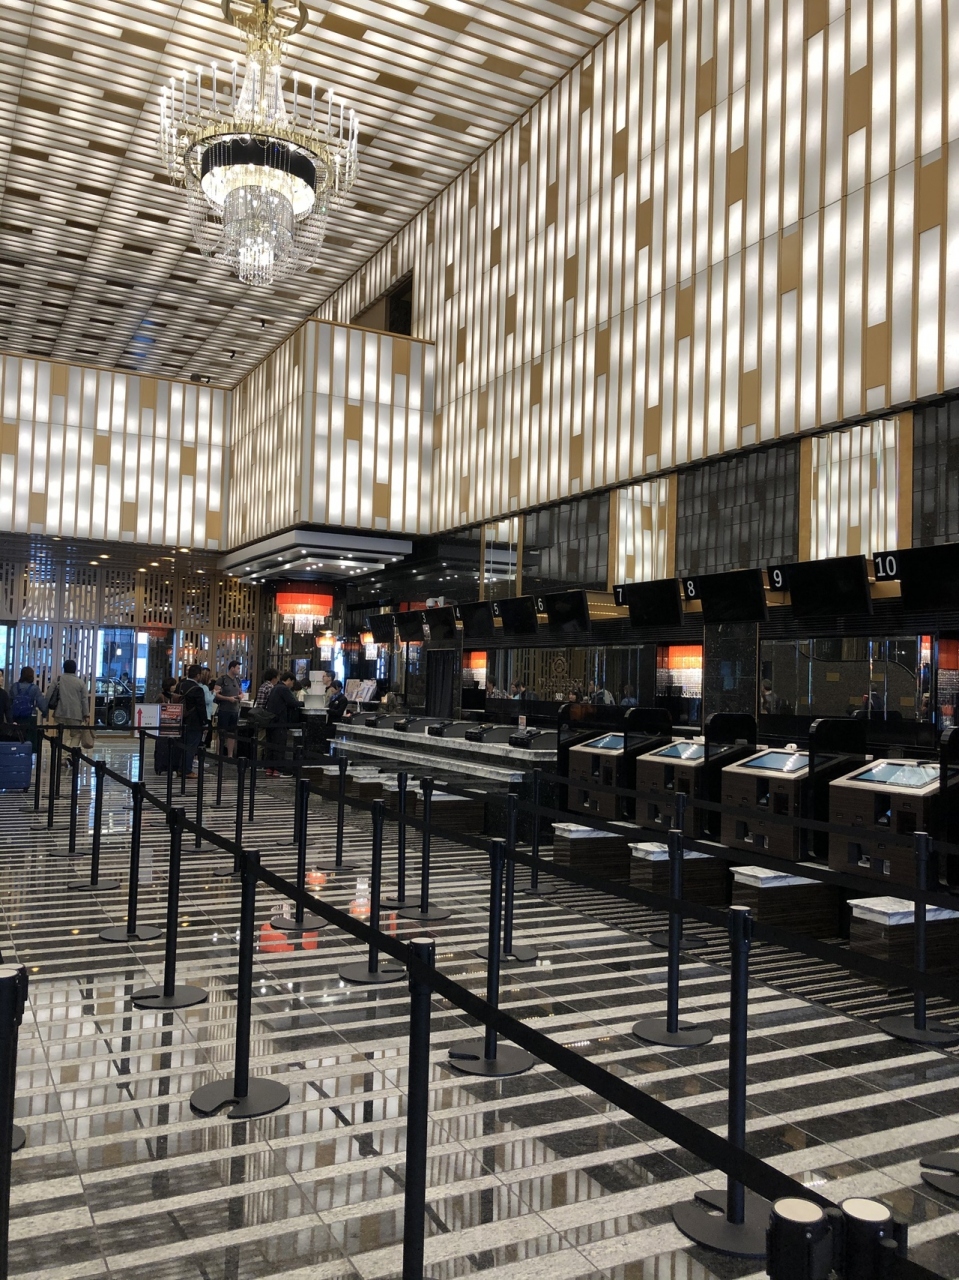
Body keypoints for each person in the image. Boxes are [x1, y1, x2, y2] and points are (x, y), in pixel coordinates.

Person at [50, 660, 89, 760]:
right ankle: (69, 754)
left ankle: (61, 756)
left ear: (64, 668)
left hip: (60, 713)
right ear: (75, 669)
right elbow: (84, 700)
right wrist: (86, 714)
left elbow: (49, 695)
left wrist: (45, 710)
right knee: (76, 734)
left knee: (61, 735)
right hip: (75, 714)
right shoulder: (80, 682)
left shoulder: (58, 680)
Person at [264, 672, 300, 775]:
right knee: (279, 745)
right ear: (289, 680)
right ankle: (278, 769)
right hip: (279, 721)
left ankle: (269, 768)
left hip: (271, 720)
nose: (292, 685)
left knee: (271, 745)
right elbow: (292, 702)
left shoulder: (275, 687)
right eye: (292, 683)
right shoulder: (283, 689)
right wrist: (303, 703)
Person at [177, 664, 208, 778]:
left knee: (181, 745)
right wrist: (204, 722)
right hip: (194, 721)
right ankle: (187, 770)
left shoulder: (180, 685)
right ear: (198, 675)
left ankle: (180, 768)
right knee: (191, 746)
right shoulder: (197, 689)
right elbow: (201, 707)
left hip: (180, 719)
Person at [9, 667, 48, 753]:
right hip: (30, 718)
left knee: (16, 739)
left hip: (16, 717)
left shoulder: (14, 686)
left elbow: (9, 703)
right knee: (29, 741)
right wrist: (45, 713)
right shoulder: (34, 688)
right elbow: (41, 704)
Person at [214, 659, 243, 757]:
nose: (239, 670)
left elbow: (240, 692)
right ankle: (218, 754)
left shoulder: (238, 680)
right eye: (238, 668)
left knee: (232, 734)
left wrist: (240, 696)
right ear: (232, 668)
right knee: (221, 733)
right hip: (224, 710)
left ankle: (230, 755)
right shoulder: (222, 679)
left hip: (235, 710)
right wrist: (227, 698)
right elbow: (216, 694)